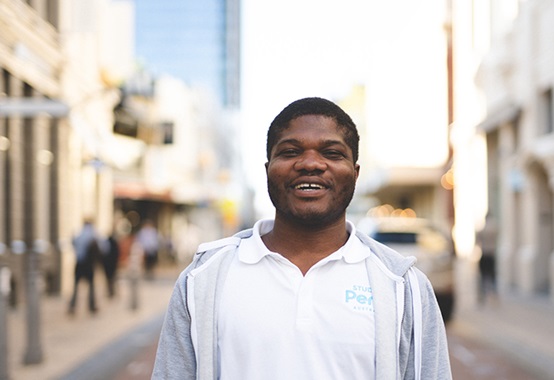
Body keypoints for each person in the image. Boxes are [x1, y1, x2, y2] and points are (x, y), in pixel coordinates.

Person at [152, 97, 452, 379]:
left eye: (332, 153)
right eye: (290, 151)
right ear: (268, 170)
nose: (310, 163)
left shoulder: (403, 285)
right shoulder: (203, 278)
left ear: (355, 173)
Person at [68, 219, 101, 315]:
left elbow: (73, 243)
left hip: (79, 263)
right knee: (91, 286)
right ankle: (91, 305)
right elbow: (103, 247)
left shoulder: (80, 234)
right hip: (88, 263)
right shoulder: (93, 234)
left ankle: (72, 305)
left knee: (76, 286)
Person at [476, 212, 498, 304]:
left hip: (485, 254)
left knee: (483, 276)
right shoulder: (494, 228)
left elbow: (477, 241)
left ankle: (483, 296)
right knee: (492, 276)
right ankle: (493, 295)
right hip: (491, 254)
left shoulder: (483, 229)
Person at [102, 230, 120, 298]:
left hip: (108, 264)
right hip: (111, 264)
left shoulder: (107, 243)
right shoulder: (112, 243)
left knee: (110, 279)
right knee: (111, 278)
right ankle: (111, 291)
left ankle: (111, 291)